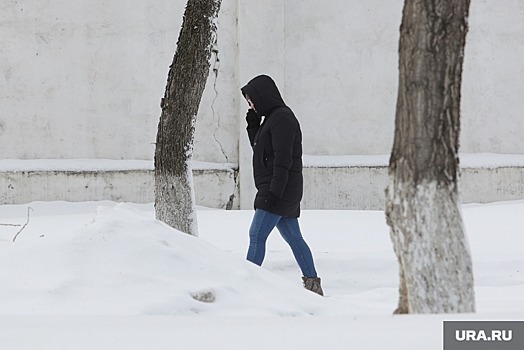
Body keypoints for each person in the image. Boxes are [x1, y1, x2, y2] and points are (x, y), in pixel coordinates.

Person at [240, 74, 323, 296]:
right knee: (294, 238)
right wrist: (253, 127)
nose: (251, 105)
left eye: (251, 100)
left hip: (278, 190)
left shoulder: (283, 119)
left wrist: (274, 194)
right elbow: (263, 151)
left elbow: (283, 159)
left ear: (262, 96)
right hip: (281, 189)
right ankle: (313, 284)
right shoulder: (273, 118)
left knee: (256, 235)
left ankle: (247, 286)